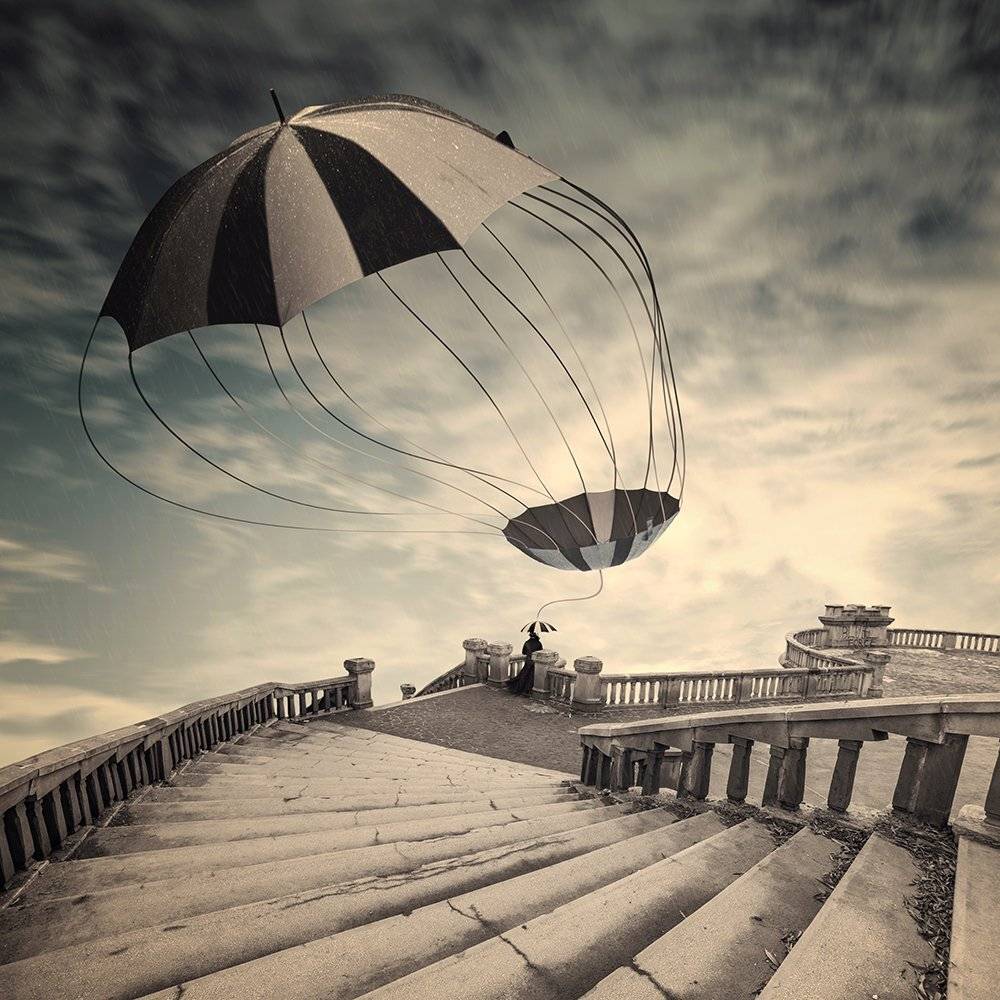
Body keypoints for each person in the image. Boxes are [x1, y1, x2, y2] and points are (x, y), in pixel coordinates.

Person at [509, 627, 542, 696]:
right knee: (530, 677)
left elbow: (524, 652)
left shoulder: (527, 642)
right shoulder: (539, 643)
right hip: (534, 662)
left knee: (524, 675)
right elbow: (540, 653)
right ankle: (527, 691)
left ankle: (519, 689)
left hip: (528, 661)